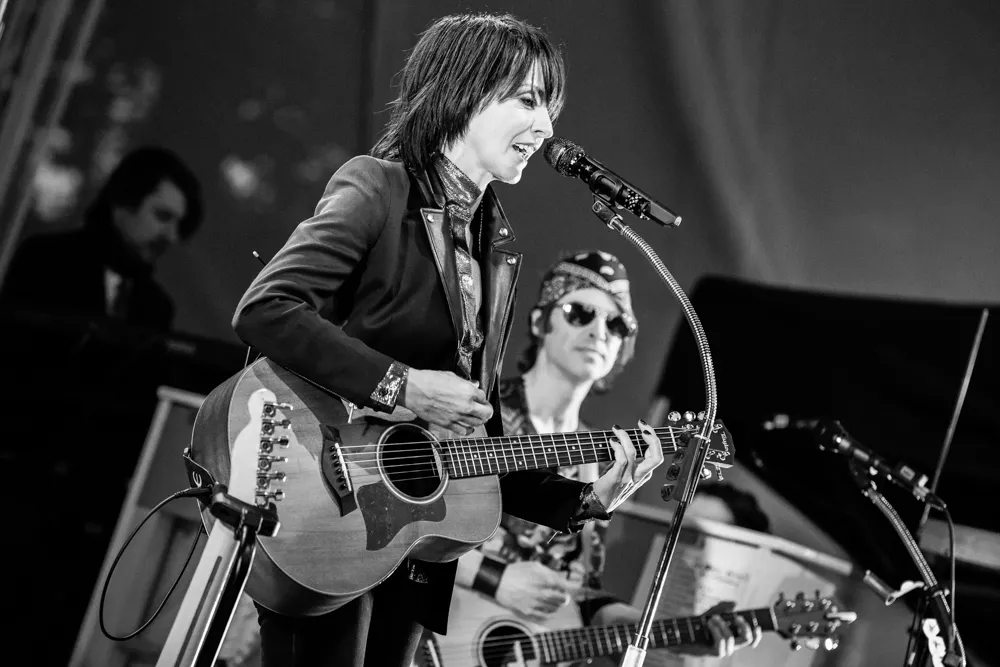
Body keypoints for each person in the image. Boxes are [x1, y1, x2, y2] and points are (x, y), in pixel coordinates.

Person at [230, 13, 664, 667]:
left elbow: (474, 443)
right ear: (465, 92)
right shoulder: (378, 186)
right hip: (326, 503)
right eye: (528, 100)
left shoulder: (497, 244)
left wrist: (583, 500)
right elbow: (266, 309)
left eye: (550, 109)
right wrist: (403, 387)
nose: (546, 129)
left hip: (415, 550)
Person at [450, 251, 762, 663]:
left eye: (617, 324)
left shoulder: (595, 458)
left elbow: (582, 595)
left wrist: (674, 635)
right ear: (540, 321)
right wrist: (496, 578)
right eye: (580, 312)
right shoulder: (479, 414)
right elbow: (410, 524)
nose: (599, 331)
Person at [1, 145, 202, 330]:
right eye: (162, 216)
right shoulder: (44, 259)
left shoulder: (157, 307)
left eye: (179, 225)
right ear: (123, 201)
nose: (172, 236)